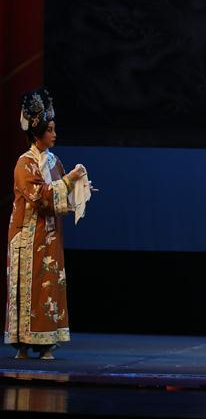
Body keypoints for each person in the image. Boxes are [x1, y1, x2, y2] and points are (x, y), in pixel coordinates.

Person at [6, 88, 92, 360]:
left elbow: (60, 196)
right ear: (38, 132)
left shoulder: (55, 162)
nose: (54, 134)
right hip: (27, 237)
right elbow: (40, 196)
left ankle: (46, 342)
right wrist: (68, 182)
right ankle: (22, 342)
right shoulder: (25, 165)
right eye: (50, 129)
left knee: (49, 286)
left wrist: (79, 188)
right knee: (27, 286)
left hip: (50, 235)